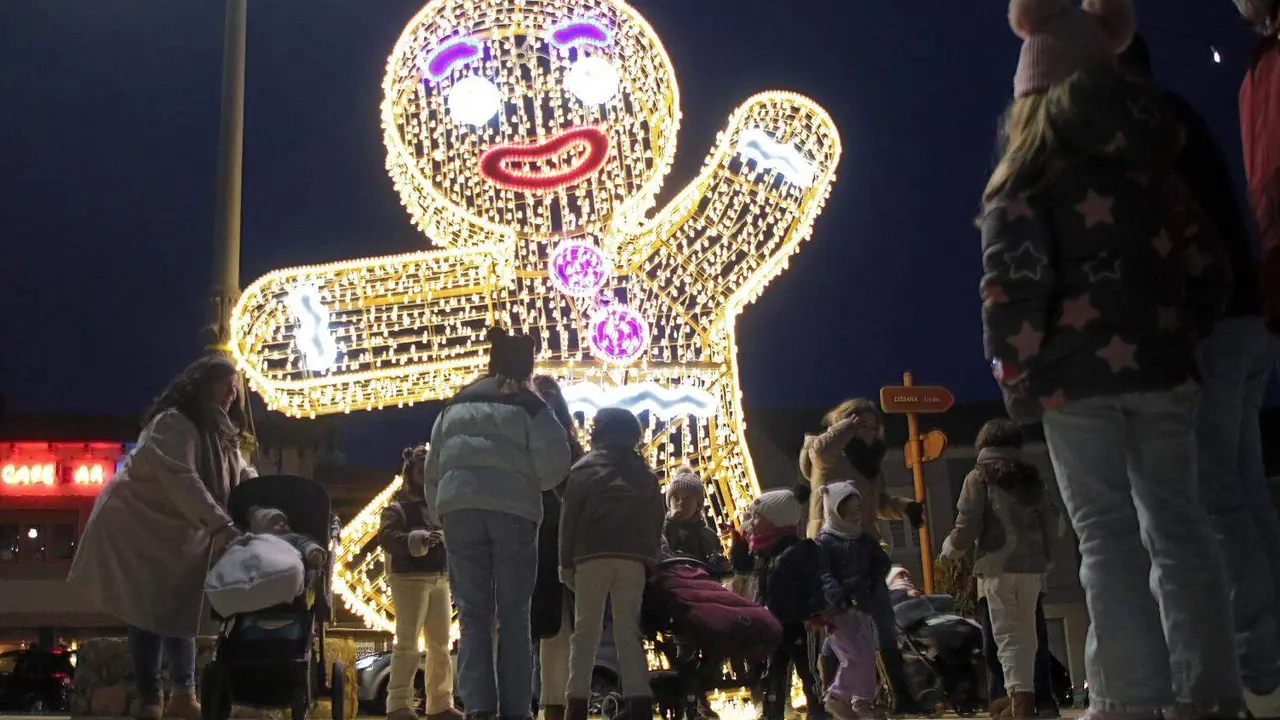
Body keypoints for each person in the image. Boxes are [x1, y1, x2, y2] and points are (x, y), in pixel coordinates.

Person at [979, 0, 1243, 716]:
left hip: (1074, 384)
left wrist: (1017, 375)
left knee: (1106, 539)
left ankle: (1130, 698)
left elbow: (1013, 290)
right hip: (1164, 373)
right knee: (1179, 525)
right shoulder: (1155, 166)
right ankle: (1210, 693)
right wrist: (1179, 336)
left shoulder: (1027, 177)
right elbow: (1210, 266)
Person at [1120, 32, 1280, 717]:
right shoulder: (1180, 112)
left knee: (1212, 497)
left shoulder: (1145, 129)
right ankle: (1266, 656)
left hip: (1213, 327)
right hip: (1250, 315)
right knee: (1242, 489)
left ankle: (1255, 668)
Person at [68, 355, 256, 720]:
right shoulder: (173, 424)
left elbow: (243, 477)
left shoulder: (222, 435)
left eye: (235, 389)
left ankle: (182, 696)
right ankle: (151, 698)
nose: (232, 394)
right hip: (137, 524)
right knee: (147, 610)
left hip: (178, 531)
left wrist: (271, 504)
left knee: (176, 607)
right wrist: (221, 525)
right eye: (226, 386)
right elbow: (182, 479)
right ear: (202, 384)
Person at [424, 327, 572, 720]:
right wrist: (528, 482)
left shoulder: (454, 404)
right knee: (513, 612)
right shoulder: (529, 405)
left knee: (472, 613)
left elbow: (432, 466)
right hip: (514, 513)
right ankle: (516, 709)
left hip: (459, 510)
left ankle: (478, 706)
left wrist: (443, 509)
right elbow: (557, 463)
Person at [799, 399, 923, 715]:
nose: (867, 432)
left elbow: (877, 502)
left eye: (871, 426)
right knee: (839, 624)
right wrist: (846, 426)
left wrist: (905, 507)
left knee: (881, 618)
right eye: (860, 425)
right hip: (831, 549)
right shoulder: (828, 455)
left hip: (865, 548)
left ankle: (899, 694)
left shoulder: (870, 463)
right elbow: (819, 450)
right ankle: (833, 697)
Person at [940, 419, 1058, 719]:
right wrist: (1048, 557)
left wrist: (950, 549)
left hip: (996, 566)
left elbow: (967, 524)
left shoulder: (979, 476)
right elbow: (1052, 520)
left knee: (1006, 635)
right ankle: (1025, 696)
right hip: (1032, 567)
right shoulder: (1032, 477)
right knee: (1028, 634)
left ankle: (1020, 702)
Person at [559, 407, 665, 720]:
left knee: (585, 631)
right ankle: (639, 699)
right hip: (632, 558)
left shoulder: (583, 469)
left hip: (590, 555)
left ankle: (575, 701)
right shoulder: (643, 473)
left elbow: (569, 520)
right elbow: (655, 518)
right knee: (628, 630)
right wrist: (650, 558)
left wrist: (565, 563)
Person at [728, 484, 827, 720]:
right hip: (772, 622)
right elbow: (742, 567)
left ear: (777, 520)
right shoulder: (762, 553)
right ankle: (773, 710)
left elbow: (813, 583)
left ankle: (818, 710)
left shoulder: (798, 551)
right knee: (774, 670)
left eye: (757, 517)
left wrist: (815, 611)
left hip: (798, 622)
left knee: (808, 669)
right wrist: (738, 547)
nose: (751, 522)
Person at [379, 445, 460, 720]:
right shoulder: (398, 508)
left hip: (439, 576)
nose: (424, 474)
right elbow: (387, 537)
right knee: (408, 642)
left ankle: (440, 703)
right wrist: (419, 539)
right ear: (410, 472)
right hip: (409, 578)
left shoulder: (439, 507)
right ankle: (398, 704)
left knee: (440, 643)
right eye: (419, 469)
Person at [530, 375, 585, 720]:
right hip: (528, 541)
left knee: (558, 634)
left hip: (555, 547)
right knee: (519, 628)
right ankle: (519, 702)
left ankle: (554, 704)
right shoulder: (524, 444)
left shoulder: (570, 451)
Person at [815, 483, 891, 720]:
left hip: (861, 605)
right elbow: (822, 574)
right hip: (836, 610)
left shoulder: (863, 539)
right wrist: (838, 596)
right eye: (851, 511)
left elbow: (881, 561)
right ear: (836, 511)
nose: (857, 515)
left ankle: (862, 701)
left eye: (859, 509)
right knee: (853, 656)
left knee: (867, 653)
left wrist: (871, 580)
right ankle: (837, 696)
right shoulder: (824, 541)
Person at [662, 465, 726, 720]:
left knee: (715, 646)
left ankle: (701, 693)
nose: (680, 503)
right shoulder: (666, 530)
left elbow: (715, 561)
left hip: (706, 595)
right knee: (685, 649)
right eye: (676, 498)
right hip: (679, 596)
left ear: (698, 503)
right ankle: (689, 698)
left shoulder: (706, 534)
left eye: (687, 499)